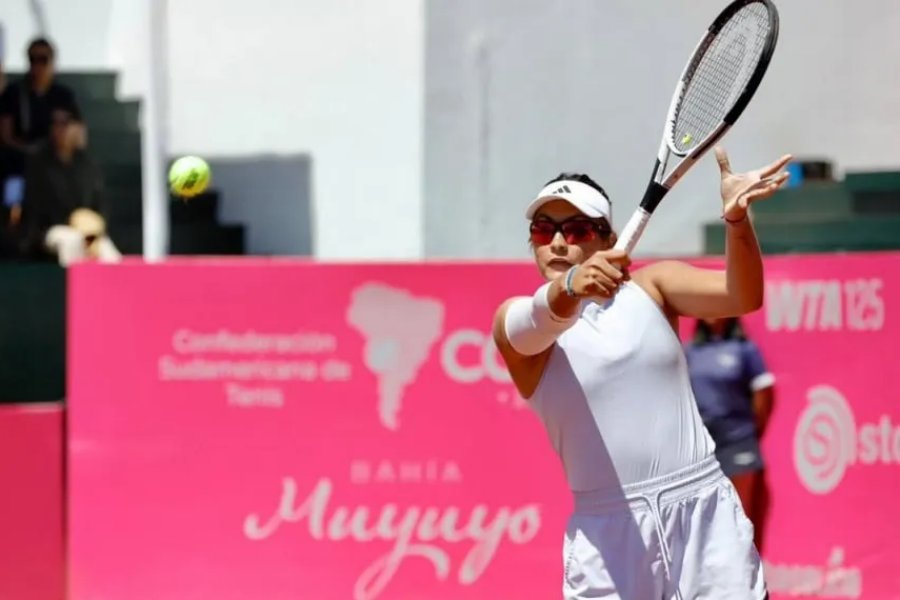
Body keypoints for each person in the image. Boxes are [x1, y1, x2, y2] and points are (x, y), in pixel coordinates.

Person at [492, 146, 790, 600]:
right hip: (608, 533)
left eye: (575, 229)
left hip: (703, 511)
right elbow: (536, 319)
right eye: (542, 229)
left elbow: (741, 294)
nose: (557, 242)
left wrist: (736, 222)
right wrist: (572, 285)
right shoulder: (517, 318)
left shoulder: (652, 288)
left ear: (604, 239)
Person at [685, 317, 774, 550]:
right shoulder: (690, 352)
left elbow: (764, 394)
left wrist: (748, 432)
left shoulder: (745, 350)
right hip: (702, 448)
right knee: (703, 520)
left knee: (740, 517)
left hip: (738, 441)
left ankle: (745, 582)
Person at [21, 108, 120, 265]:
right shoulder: (39, 164)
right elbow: (35, 212)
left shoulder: (87, 165)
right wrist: (73, 223)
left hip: (86, 230)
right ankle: (77, 289)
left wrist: (93, 226)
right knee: (71, 240)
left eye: (65, 123)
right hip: (49, 232)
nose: (60, 129)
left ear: (77, 127)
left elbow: (100, 205)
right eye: (56, 124)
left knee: (110, 254)